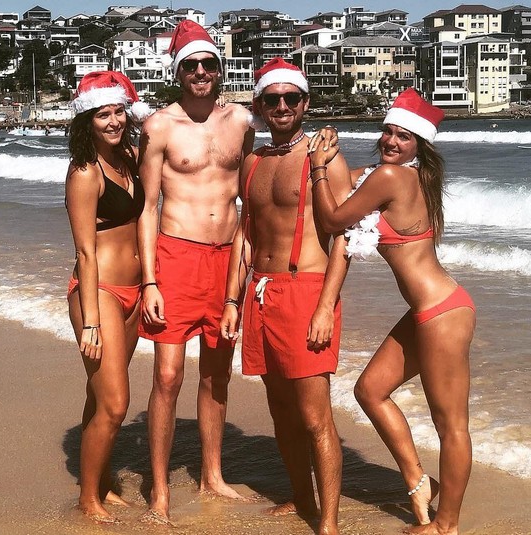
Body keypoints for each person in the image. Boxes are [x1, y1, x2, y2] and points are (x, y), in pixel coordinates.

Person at [308, 88, 476, 535]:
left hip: (442, 313)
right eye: (388, 131)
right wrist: (326, 149)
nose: (391, 141)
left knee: (451, 425)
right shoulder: (402, 177)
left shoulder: (391, 177)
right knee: (370, 390)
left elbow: (332, 219)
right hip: (431, 310)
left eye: (404, 136)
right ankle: (420, 481)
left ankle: (446, 525)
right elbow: (346, 184)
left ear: (419, 144)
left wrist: (318, 167)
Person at [220, 57, 350, 535]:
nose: (281, 106)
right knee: (280, 409)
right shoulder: (252, 162)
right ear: (259, 105)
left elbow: (345, 239)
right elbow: (245, 235)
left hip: (306, 291)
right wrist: (232, 301)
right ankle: (301, 498)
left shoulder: (325, 158)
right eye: (272, 99)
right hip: (261, 292)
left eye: (290, 98)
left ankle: (329, 522)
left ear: (305, 103)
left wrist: (325, 307)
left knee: (315, 416)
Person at [136, 20, 256, 524]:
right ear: (178, 72)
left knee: (216, 373)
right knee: (168, 376)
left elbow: (254, 197)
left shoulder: (242, 121)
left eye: (209, 64)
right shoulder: (159, 127)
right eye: (191, 65)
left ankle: (212, 474)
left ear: (219, 69)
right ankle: (160, 489)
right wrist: (149, 281)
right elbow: (147, 208)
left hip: (227, 259)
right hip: (176, 257)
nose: (201, 72)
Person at [65, 71, 150, 523]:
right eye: (103, 114)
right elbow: (84, 251)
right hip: (98, 295)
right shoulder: (85, 173)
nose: (114, 121)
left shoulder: (128, 158)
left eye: (119, 111)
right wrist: (92, 321)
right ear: (87, 121)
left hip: (133, 292)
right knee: (116, 404)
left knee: (100, 396)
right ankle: (88, 499)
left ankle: (98, 483)